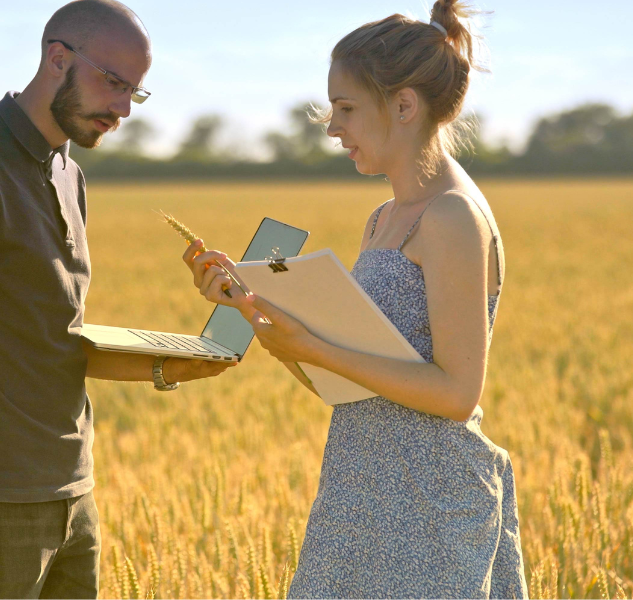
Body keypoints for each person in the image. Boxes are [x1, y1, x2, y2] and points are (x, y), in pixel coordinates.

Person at [183, 0, 527, 597]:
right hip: (358, 496)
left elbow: (456, 393)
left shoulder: (452, 217)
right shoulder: (383, 218)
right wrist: (255, 311)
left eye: (345, 108)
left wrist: (312, 345)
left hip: (430, 509)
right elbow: (349, 383)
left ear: (403, 105)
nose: (331, 125)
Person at [0, 1, 231, 597]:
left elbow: (52, 339)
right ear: (57, 59)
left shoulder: (69, 174)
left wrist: (164, 365)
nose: (123, 109)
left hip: (72, 492)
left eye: (136, 93)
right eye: (114, 83)